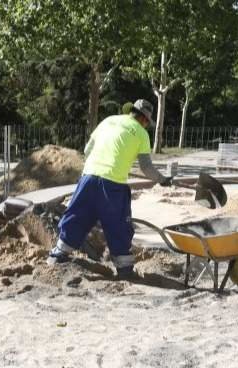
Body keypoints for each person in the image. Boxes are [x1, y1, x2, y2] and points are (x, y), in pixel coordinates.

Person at [48, 99, 171, 280]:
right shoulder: (141, 133)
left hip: (88, 178)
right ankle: (125, 271)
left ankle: (58, 255)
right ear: (145, 120)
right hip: (113, 185)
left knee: (77, 216)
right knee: (118, 225)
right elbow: (146, 168)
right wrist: (162, 179)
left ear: (131, 112)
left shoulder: (108, 120)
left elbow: (87, 149)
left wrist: (97, 167)